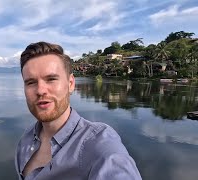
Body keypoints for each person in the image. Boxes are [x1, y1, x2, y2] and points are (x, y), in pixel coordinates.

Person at [15, 41, 142, 180]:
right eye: (31, 82)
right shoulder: (26, 139)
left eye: (51, 79)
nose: (40, 90)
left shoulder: (99, 144)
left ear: (70, 84)